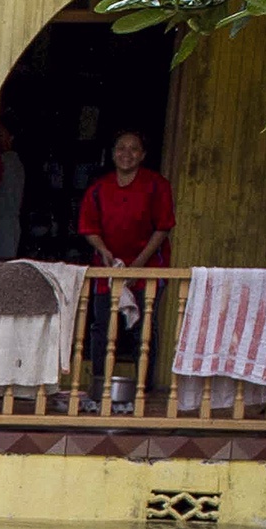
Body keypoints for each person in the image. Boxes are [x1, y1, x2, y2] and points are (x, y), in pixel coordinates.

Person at [75, 130, 175, 407]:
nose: (127, 154)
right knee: (101, 327)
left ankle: (145, 387)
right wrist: (105, 252)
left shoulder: (156, 186)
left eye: (134, 149)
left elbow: (163, 227)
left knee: (144, 328)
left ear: (143, 155)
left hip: (147, 267)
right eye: (121, 148)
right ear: (113, 153)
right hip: (109, 268)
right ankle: (99, 382)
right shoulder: (99, 188)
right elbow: (89, 227)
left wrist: (139, 264)